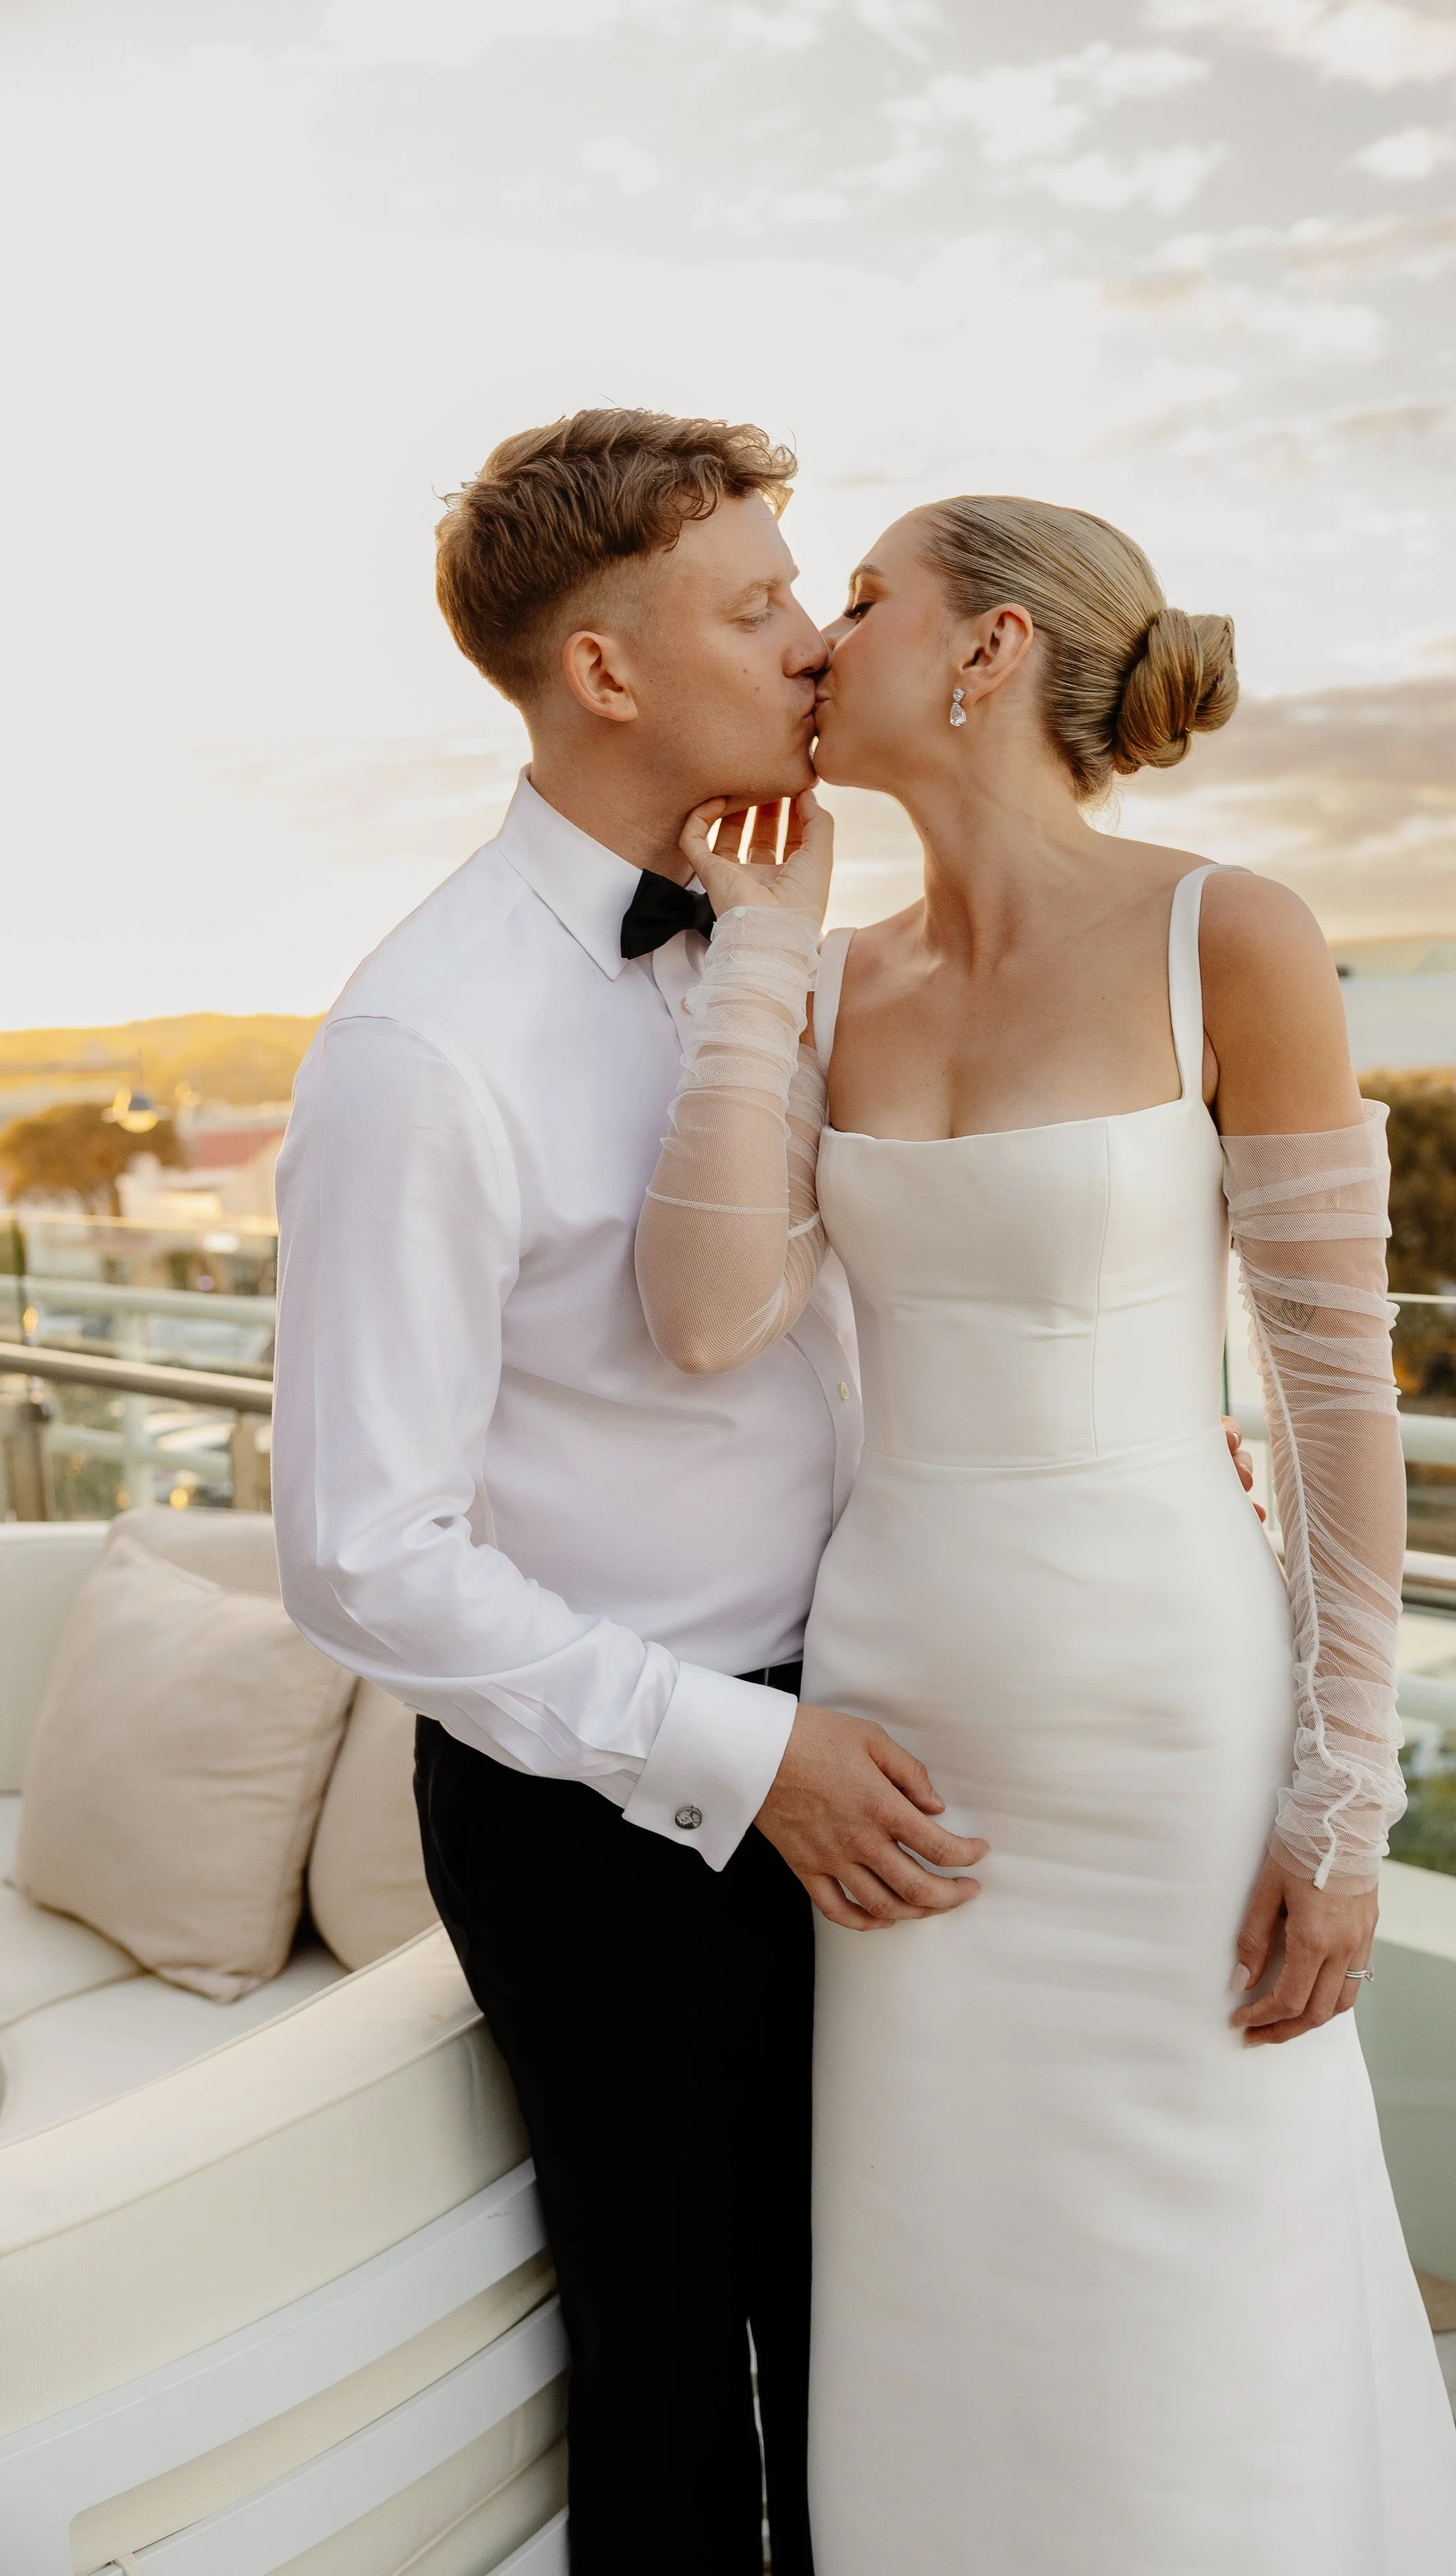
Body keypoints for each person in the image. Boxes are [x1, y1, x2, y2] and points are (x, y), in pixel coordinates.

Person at [271, 409, 1262, 2575]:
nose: (817, 642)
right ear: (606, 674)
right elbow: (360, 1555)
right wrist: (745, 1750)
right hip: (614, 1807)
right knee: (668, 2375)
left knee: (884, 2339)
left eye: (814, 591)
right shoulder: (422, 1049)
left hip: (892, 1714)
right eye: (756, 606)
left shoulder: (789, 933)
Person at [633, 496, 1456, 2572]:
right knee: (946, 2286)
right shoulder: (830, 977)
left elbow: (1332, 1404)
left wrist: (1345, 1800)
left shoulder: (1232, 933)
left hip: (1164, 1719)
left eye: (861, 601)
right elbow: (706, 1313)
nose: (822, 644)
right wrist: (758, 958)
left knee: (1203, 2274)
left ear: (989, 647)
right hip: (901, 1721)